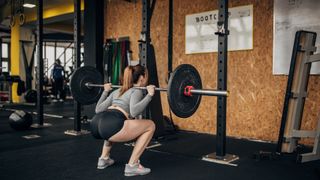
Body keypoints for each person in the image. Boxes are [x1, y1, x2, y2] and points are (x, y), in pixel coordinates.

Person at [95, 64, 156, 177]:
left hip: (97, 124)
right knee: (150, 125)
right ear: (142, 78)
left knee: (113, 124)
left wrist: (105, 91)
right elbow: (134, 112)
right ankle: (132, 166)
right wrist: (150, 95)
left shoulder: (117, 91)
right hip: (112, 125)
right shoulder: (136, 91)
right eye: (146, 76)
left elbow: (98, 110)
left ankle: (103, 158)